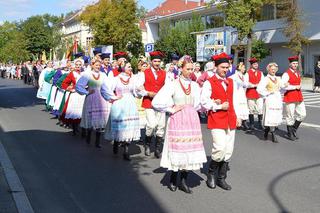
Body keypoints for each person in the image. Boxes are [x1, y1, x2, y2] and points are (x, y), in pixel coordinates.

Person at [152, 55, 206, 194]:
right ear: (181, 69)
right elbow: (156, 102)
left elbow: (199, 103)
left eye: (192, 69)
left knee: (189, 150)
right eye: (188, 69)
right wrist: (171, 108)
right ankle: (172, 178)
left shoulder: (194, 85)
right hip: (177, 119)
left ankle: (183, 181)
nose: (190, 71)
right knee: (177, 149)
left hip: (191, 120)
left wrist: (210, 105)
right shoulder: (172, 84)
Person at [201, 52, 240, 191]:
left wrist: (239, 116)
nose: (225, 70)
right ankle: (211, 173)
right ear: (216, 67)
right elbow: (204, 102)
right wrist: (217, 105)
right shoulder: (209, 82)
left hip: (231, 118)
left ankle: (221, 178)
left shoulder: (231, 82)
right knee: (219, 147)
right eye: (222, 67)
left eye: (227, 67)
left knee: (228, 150)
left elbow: (236, 100)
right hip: (217, 119)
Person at [101, 61, 140, 161]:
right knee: (120, 126)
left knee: (129, 126)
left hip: (130, 104)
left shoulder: (133, 80)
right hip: (119, 103)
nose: (130, 68)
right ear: (122, 68)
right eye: (128, 67)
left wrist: (141, 91)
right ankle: (117, 142)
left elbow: (137, 92)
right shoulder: (116, 79)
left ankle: (126, 150)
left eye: (131, 67)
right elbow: (104, 88)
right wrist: (113, 97)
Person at [137, 51, 168, 158]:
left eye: (159, 61)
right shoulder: (144, 73)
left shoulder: (164, 73)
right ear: (151, 61)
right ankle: (147, 144)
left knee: (161, 126)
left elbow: (168, 88)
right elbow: (138, 88)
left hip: (161, 104)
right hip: (149, 102)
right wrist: (148, 93)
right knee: (151, 124)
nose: (157, 63)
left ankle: (158, 148)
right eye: (155, 61)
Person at [76, 59, 112, 148]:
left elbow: (107, 87)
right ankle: (88, 135)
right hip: (91, 97)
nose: (98, 67)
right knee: (91, 118)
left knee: (100, 119)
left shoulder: (103, 75)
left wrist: (110, 97)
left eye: (99, 65)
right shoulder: (87, 75)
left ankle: (97, 141)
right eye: (96, 65)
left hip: (101, 98)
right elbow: (79, 85)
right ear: (92, 65)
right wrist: (86, 92)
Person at [257, 63, 284, 143]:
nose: (273, 71)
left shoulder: (278, 78)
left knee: (276, 115)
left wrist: (285, 86)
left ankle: (268, 130)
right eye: (272, 69)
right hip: (270, 98)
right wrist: (268, 92)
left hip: (277, 99)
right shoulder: (265, 79)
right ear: (268, 70)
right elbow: (259, 89)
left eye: (275, 69)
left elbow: (282, 88)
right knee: (270, 115)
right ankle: (272, 133)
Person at [282, 56, 306, 141]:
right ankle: (289, 133)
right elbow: (283, 86)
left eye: (296, 63)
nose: (295, 65)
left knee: (303, 114)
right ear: (290, 64)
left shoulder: (298, 73)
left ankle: (294, 129)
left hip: (299, 96)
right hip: (290, 96)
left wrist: (297, 86)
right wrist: (295, 86)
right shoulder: (286, 74)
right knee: (290, 116)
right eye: (293, 63)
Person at [61, 58, 86, 135]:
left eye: (79, 65)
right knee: (75, 112)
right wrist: (70, 89)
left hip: (83, 95)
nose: (78, 66)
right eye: (77, 65)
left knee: (83, 112)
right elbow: (64, 83)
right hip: (75, 95)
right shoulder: (72, 73)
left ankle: (83, 130)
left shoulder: (85, 73)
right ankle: (75, 129)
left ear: (82, 65)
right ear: (74, 65)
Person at [245, 58, 264, 130]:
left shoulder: (260, 73)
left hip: (259, 94)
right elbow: (246, 83)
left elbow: (263, 82)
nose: (256, 65)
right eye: (254, 64)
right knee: (251, 109)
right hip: (251, 93)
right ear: (251, 65)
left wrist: (260, 85)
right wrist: (254, 85)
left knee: (260, 109)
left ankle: (260, 123)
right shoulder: (248, 73)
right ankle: (252, 123)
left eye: (257, 64)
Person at [230, 62, 250, 131]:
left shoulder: (243, 76)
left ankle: (243, 121)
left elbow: (245, 84)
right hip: (236, 93)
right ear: (240, 68)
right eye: (243, 67)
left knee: (243, 107)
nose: (244, 69)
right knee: (237, 107)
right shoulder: (235, 76)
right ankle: (237, 121)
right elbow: (230, 80)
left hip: (242, 92)